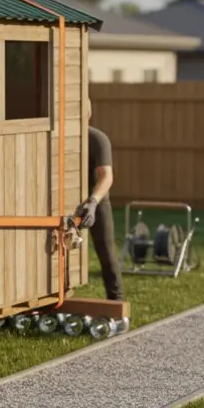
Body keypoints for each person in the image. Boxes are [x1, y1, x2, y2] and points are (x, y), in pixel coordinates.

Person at [73, 100, 124, 301]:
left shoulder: (97, 139)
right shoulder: (61, 138)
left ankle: (116, 299)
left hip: (96, 203)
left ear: (87, 113)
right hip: (67, 202)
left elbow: (107, 176)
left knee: (106, 252)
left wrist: (93, 202)